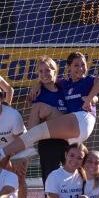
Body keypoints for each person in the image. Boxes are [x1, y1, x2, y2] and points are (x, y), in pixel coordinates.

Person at [3, 52, 99, 161]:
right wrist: (37, 85)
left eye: (83, 64)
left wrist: (90, 98)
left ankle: (5, 151)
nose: (80, 68)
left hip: (83, 120)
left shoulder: (87, 80)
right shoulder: (65, 83)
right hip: (69, 129)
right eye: (76, 65)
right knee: (38, 109)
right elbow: (47, 78)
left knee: (39, 131)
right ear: (69, 68)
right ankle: (26, 147)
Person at [27, 56, 69, 185]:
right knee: (51, 179)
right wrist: (38, 84)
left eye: (47, 70)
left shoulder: (64, 87)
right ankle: (28, 143)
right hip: (49, 141)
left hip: (68, 138)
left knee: (74, 175)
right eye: (41, 71)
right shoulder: (38, 93)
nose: (44, 74)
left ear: (55, 71)